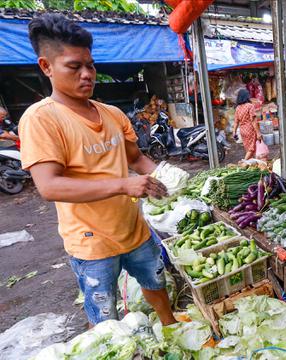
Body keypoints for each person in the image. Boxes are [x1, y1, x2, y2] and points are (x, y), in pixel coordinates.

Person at [18, 14, 177, 327]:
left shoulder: (112, 113)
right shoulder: (41, 119)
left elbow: (137, 159)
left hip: (134, 229)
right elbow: (49, 187)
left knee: (157, 285)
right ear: (46, 66)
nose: (87, 74)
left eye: (90, 65)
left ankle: (171, 327)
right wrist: (122, 186)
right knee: (105, 317)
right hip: (91, 242)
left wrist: (173, 179)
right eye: (74, 67)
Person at [232, 88, 262, 160]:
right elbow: (253, 121)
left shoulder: (238, 108)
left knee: (248, 148)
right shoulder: (250, 106)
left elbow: (236, 122)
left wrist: (234, 132)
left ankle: (250, 164)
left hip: (242, 131)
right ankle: (243, 163)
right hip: (250, 130)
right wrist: (258, 133)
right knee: (251, 149)